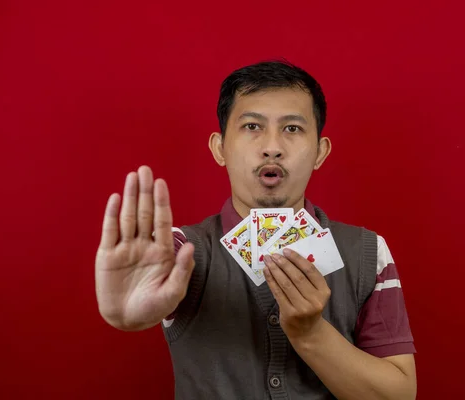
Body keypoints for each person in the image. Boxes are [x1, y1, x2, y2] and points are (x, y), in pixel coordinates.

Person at [95, 60, 417, 399]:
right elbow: (149, 286)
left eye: (292, 128)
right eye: (252, 126)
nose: (272, 146)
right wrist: (124, 312)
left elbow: (397, 394)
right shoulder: (179, 250)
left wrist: (311, 334)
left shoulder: (368, 251)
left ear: (320, 152)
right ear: (219, 148)